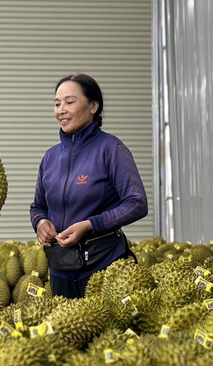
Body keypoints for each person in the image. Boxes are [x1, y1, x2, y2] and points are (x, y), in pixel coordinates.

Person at [30, 74, 148, 298]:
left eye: (70, 102)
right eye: (57, 104)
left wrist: (90, 225)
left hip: (104, 264)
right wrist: (40, 222)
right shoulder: (50, 157)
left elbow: (137, 203)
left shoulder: (111, 149)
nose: (61, 110)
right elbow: (38, 206)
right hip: (60, 268)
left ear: (93, 106)